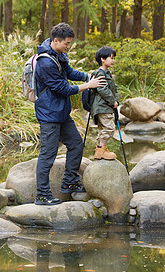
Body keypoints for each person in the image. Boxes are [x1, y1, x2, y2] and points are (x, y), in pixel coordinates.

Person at [34, 23, 107, 206]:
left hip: (61, 113)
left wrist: (87, 77)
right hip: (49, 115)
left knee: (76, 144)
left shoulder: (59, 55)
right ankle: (42, 195)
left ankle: (70, 182)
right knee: (47, 155)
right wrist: (87, 86)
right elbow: (62, 88)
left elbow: (69, 73)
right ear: (56, 40)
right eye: (66, 43)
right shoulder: (45, 62)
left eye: (69, 43)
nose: (68, 46)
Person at [91, 46, 119, 160]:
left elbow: (113, 89)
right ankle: (101, 149)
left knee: (103, 128)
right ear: (103, 59)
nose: (113, 60)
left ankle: (100, 149)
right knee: (109, 128)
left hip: (104, 106)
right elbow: (102, 89)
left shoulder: (106, 73)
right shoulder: (100, 73)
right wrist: (113, 101)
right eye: (111, 58)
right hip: (102, 106)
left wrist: (115, 99)